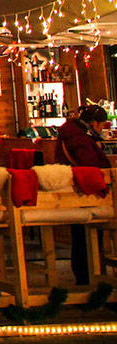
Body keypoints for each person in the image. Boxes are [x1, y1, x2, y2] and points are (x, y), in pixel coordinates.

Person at [56, 104, 110, 285]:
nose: (102, 130)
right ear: (93, 123)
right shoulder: (80, 141)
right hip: (86, 195)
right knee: (88, 238)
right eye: (102, 126)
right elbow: (90, 167)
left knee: (79, 238)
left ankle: (86, 279)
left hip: (75, 195)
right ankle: (90, 280)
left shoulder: (71, 135)